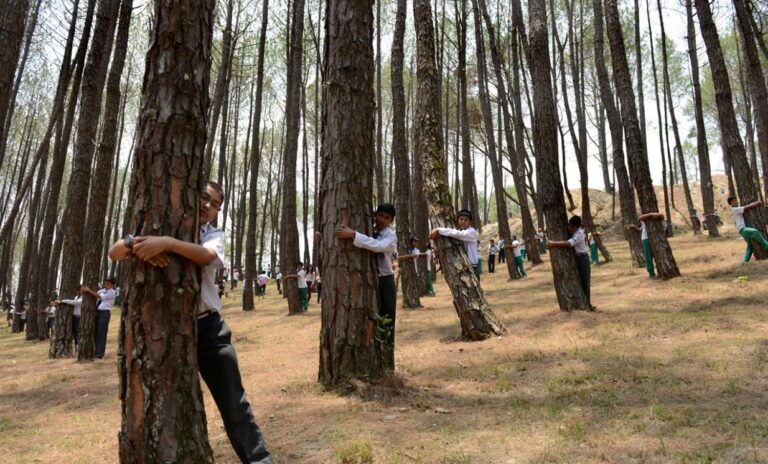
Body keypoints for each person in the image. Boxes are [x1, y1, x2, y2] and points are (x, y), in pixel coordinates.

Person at [108, 181, 272, 463]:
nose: (208, 206)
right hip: (164, 335)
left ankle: (259, 461)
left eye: (216, 204)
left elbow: (207, 256)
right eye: (204, 198)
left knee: (235, 404)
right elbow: (115, 252)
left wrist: (168, 245)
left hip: (210, 331)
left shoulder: (213, 234)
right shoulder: (157, 220)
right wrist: (134, 243)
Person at [334, 203, 398, 369]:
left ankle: (387, 364)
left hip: (385, 282)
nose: (382, 220)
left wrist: (353, 235)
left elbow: (378, 247)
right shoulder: (368, 229)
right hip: (366, 281)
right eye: (380, 215)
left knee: (387, 321)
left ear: (391, 221)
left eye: (387, 218)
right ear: (375, 215)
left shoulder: (390, 236)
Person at [546, 215, 593, 309]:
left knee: (585, 283)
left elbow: (568, 243)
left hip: (582, 259)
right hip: (577, 259)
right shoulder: (575, 232)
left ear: (576, 227)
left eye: (570, 226)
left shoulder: (579, 234)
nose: (568, 228)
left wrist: (553, 243)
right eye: (568, 225)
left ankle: (587, 304)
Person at [430, 209, 480, 279]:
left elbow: (458, 234)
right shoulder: (458, 232)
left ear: (470, 222)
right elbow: (454, 233)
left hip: (472, 267)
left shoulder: (471, 232)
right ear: (458, 220)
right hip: (462, 267)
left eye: (466, 220)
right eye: (461, 219)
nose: (463, 222)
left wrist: (439, 230)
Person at [81, 277, 117, 359]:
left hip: (104, 313)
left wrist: (89, 290)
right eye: (105, 283)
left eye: (108, 284)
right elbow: (96, 294)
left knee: (101, 333)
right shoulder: (102, 291)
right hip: (98, 312)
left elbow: (98, 296)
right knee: (95, 331)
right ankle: (93, 350)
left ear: (112, 285)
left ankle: (99, 353)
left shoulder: (112, 292)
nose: (106, 285)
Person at [727, 196, 768, 262]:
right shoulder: (735, 209)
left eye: (735, 200)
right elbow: (749, 206)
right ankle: (766, 245)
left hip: (741, 230)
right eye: (733, 202)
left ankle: (744, 261)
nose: (735, 202)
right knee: (755, 231)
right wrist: (757, 202)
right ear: (730, 204)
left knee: (750, 247)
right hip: (742, 229)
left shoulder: (736, 209)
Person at [626, 212, 664, 279]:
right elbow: (641, 221)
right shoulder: (644, 218)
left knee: (656, 254)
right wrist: (634, 227)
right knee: (648, 256)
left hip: (654, 238)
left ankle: (661, 270)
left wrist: (656, 214)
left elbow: (662, 216)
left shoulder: (655, 216)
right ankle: (651, 273)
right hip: (645, 239)